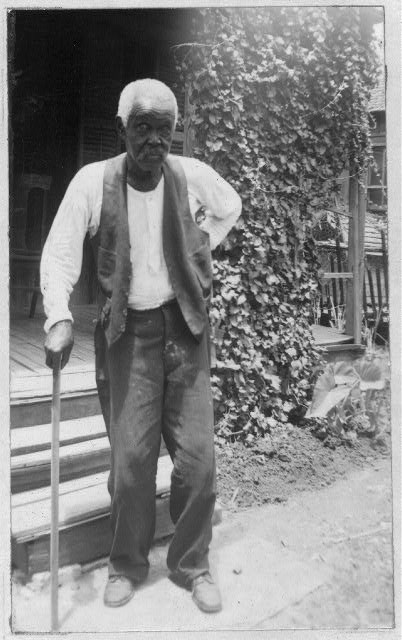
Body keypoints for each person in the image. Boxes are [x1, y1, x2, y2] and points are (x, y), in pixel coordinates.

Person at [41, 78, 242, 613]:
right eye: (142, 128)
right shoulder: (92, 182)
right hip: (127, 333)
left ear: (174, 133)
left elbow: (230, 207)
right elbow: (60, 254)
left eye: (164, 130)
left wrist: (200, 240)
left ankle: (191, 565)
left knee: (198, 461)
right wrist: (58, 318)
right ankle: (126, 565)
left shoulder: (191, 175)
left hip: (185, 328)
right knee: (131, 463)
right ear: (121, 128)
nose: (154, 141)